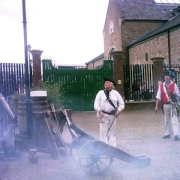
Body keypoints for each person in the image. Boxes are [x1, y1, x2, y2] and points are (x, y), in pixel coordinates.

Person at [94, 77, 125, 147]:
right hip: (103, 115)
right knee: (103, 133)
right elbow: (96, 104)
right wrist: (99, 111)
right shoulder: (100, 93)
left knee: (113, 132)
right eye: (105, 83)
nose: (105, 83)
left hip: (112, 115)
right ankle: (104, 148)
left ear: (111, 85)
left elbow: (122, 104)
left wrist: (119, 110)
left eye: (107, 82)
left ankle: (112, 147)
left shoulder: (116, 93)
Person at [155, 71, 180, 141]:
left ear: (170, 77)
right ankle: (167, 133)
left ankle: (176, 134)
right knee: (167, 120)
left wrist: (174, 94)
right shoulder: (161, 86)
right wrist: (156, 106)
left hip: (172, 105)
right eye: (165, 76)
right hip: (165, 105)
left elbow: (178, 95)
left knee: (174, 119)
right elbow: (158, 96)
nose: (166, 77)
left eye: (168, 76)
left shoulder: (174, 85)